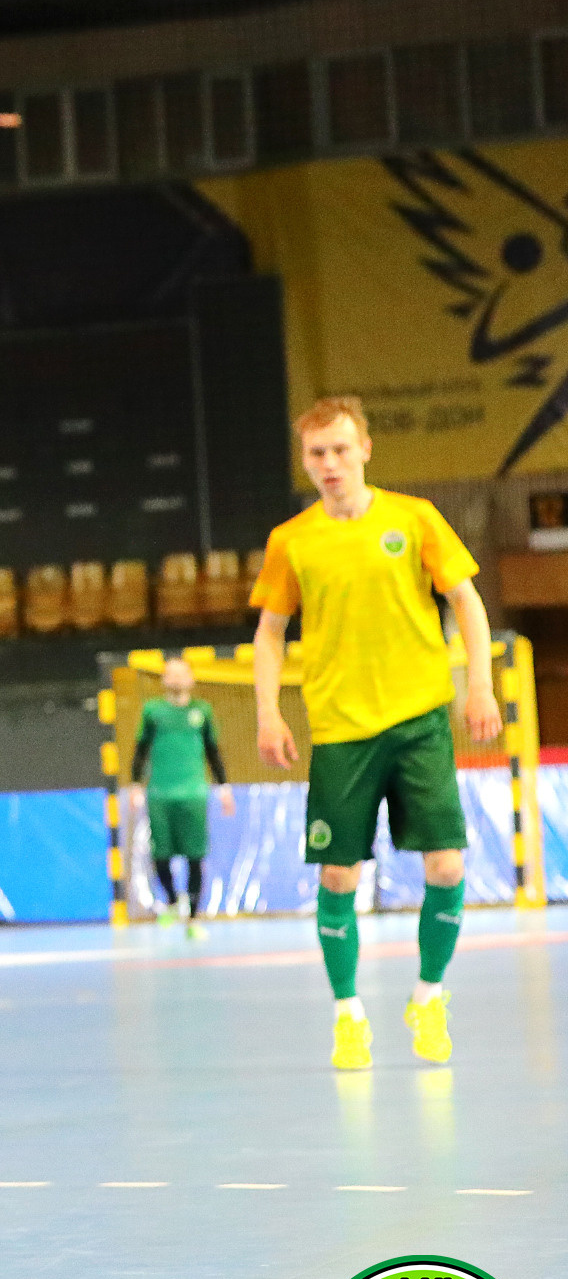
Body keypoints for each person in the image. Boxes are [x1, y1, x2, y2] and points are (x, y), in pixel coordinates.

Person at [250, 397, 500, 1071]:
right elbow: (270, 632)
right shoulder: (292, 540)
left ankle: (428, 995)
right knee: (338, 872)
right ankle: (348, 1014)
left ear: (365, 448)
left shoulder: (414, 518)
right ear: (305, 462)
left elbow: (466, 600)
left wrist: (478, 683)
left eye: (339, 449)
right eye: (315, 454)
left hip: (420, 719)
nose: (328, 464)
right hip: (340, 729)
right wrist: (268, 710)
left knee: (447, 865)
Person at [125, 655, 236, 942]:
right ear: (163, 679)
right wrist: (136, 785)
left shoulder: (202, 711)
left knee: (195, 856)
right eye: (170, 673)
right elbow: (140, 751)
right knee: (160, 855)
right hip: (160, 794)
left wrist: (224, 788)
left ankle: (193, 919)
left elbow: (214, 751)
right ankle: (174, 901)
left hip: (194, 794)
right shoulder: (153, 712)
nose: (175, 679)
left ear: (191, 678)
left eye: (180, 673)